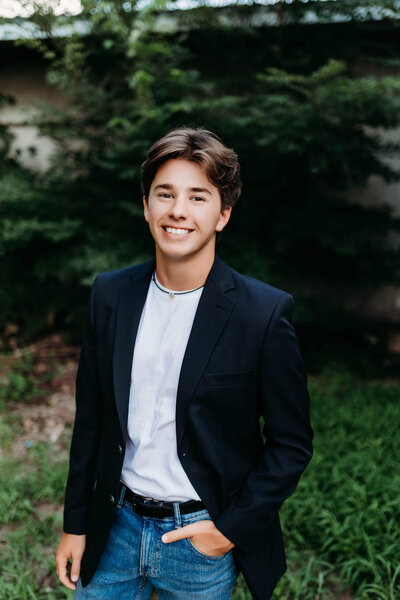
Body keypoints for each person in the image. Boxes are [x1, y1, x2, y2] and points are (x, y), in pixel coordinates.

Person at [56, 126, 313, 600]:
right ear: (147, 207)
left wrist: (226, 530)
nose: (178, 210)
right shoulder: (110, 295)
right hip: (113, 524)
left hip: (199, 539)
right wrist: (75, 524)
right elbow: (90, 422)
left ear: (223, 214)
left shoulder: (262, 313)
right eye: (165, 194)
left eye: (198, 197)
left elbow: (291, 444)